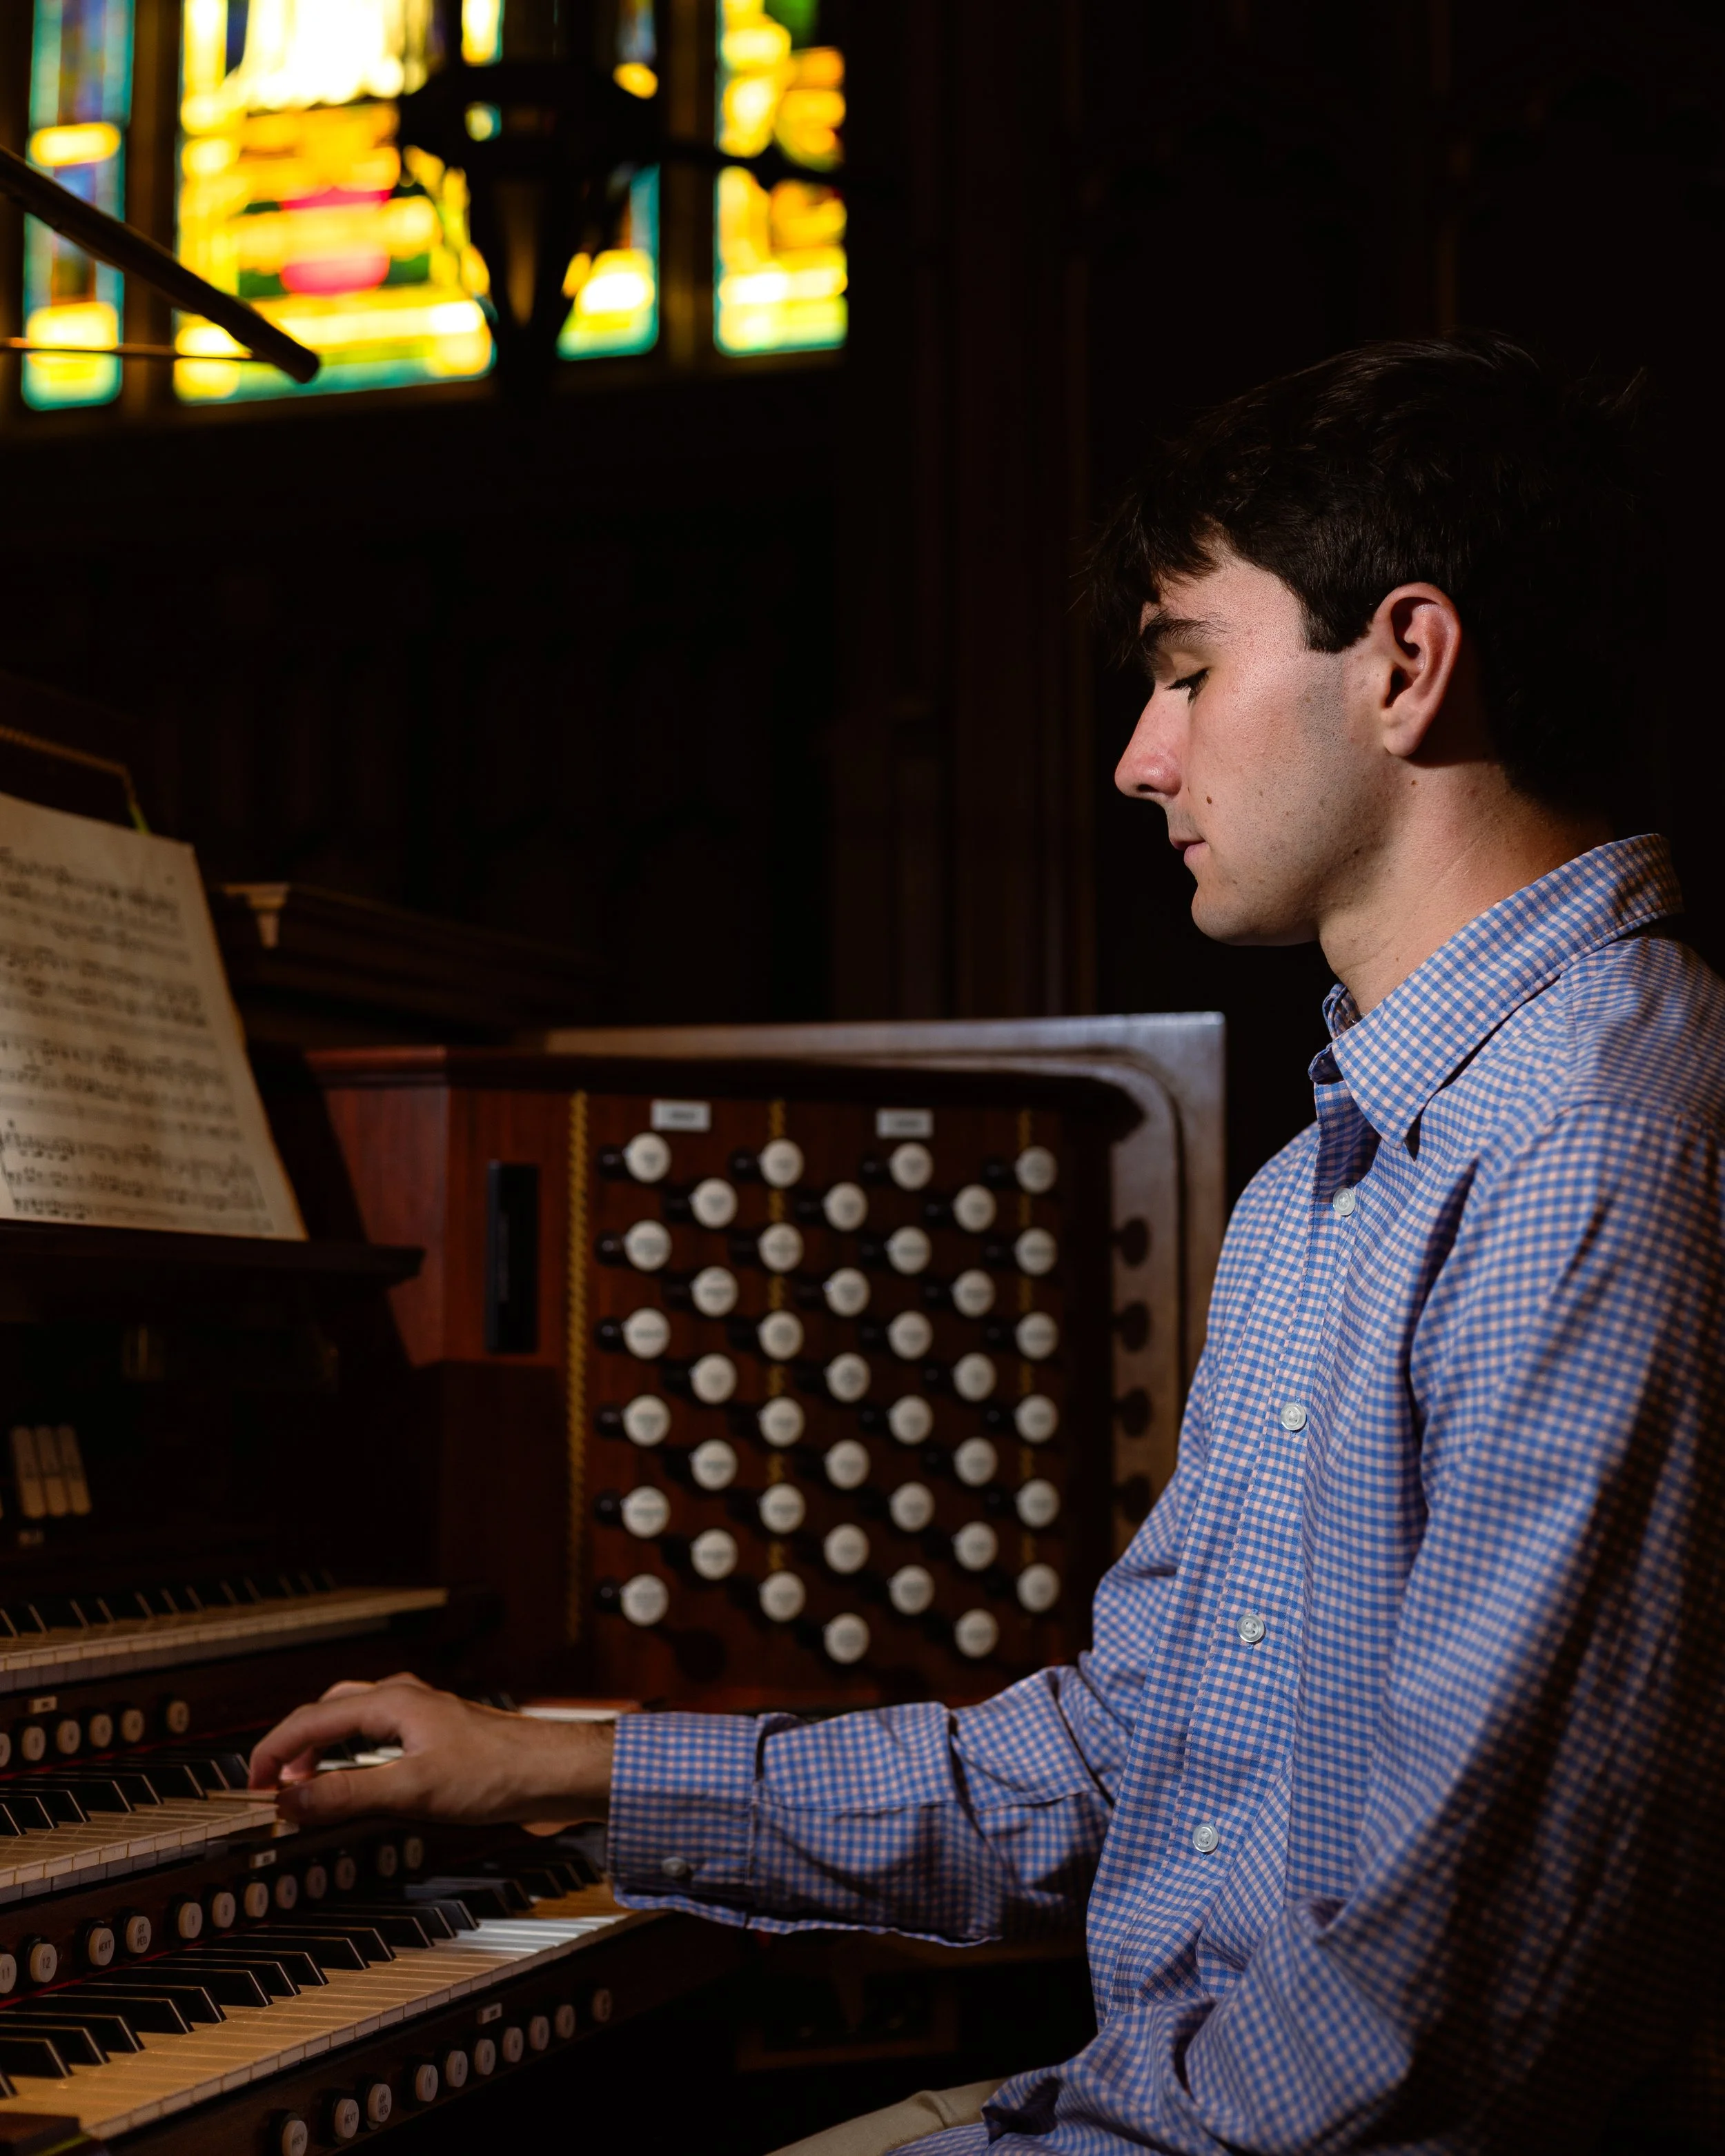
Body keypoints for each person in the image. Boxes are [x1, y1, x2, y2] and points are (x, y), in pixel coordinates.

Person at [250, 333, 1725, 2156]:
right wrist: (557, 1762)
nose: (1135, 756)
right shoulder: (1328, 1175)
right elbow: (1126, 1758)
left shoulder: (1591, 1142)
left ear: (1406, 665)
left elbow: (1470, 2009)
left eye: (1185, 670)